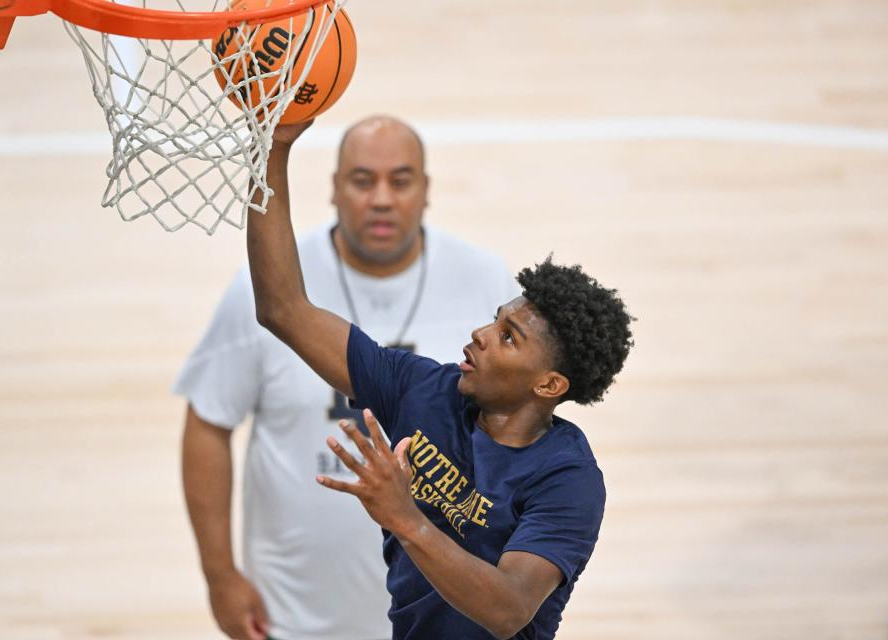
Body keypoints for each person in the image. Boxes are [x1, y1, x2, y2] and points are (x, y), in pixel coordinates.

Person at [246, 120, 634, 640]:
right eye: (495, 319)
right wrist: (272, 148)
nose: (480, 334)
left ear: (549, 385)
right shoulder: (423, 390)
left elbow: (508, 608)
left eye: (509, 336)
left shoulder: (567, 478)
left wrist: (405, 517)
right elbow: (283, 309)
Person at [175, 115, 519, 640]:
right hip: (293, 618)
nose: (381, 199)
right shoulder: (266, 281)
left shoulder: (486, 286)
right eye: (362, 180)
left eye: (400, 181)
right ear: (334, 189)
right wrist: (220, 575)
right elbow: (208, 421)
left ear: (426, 191)